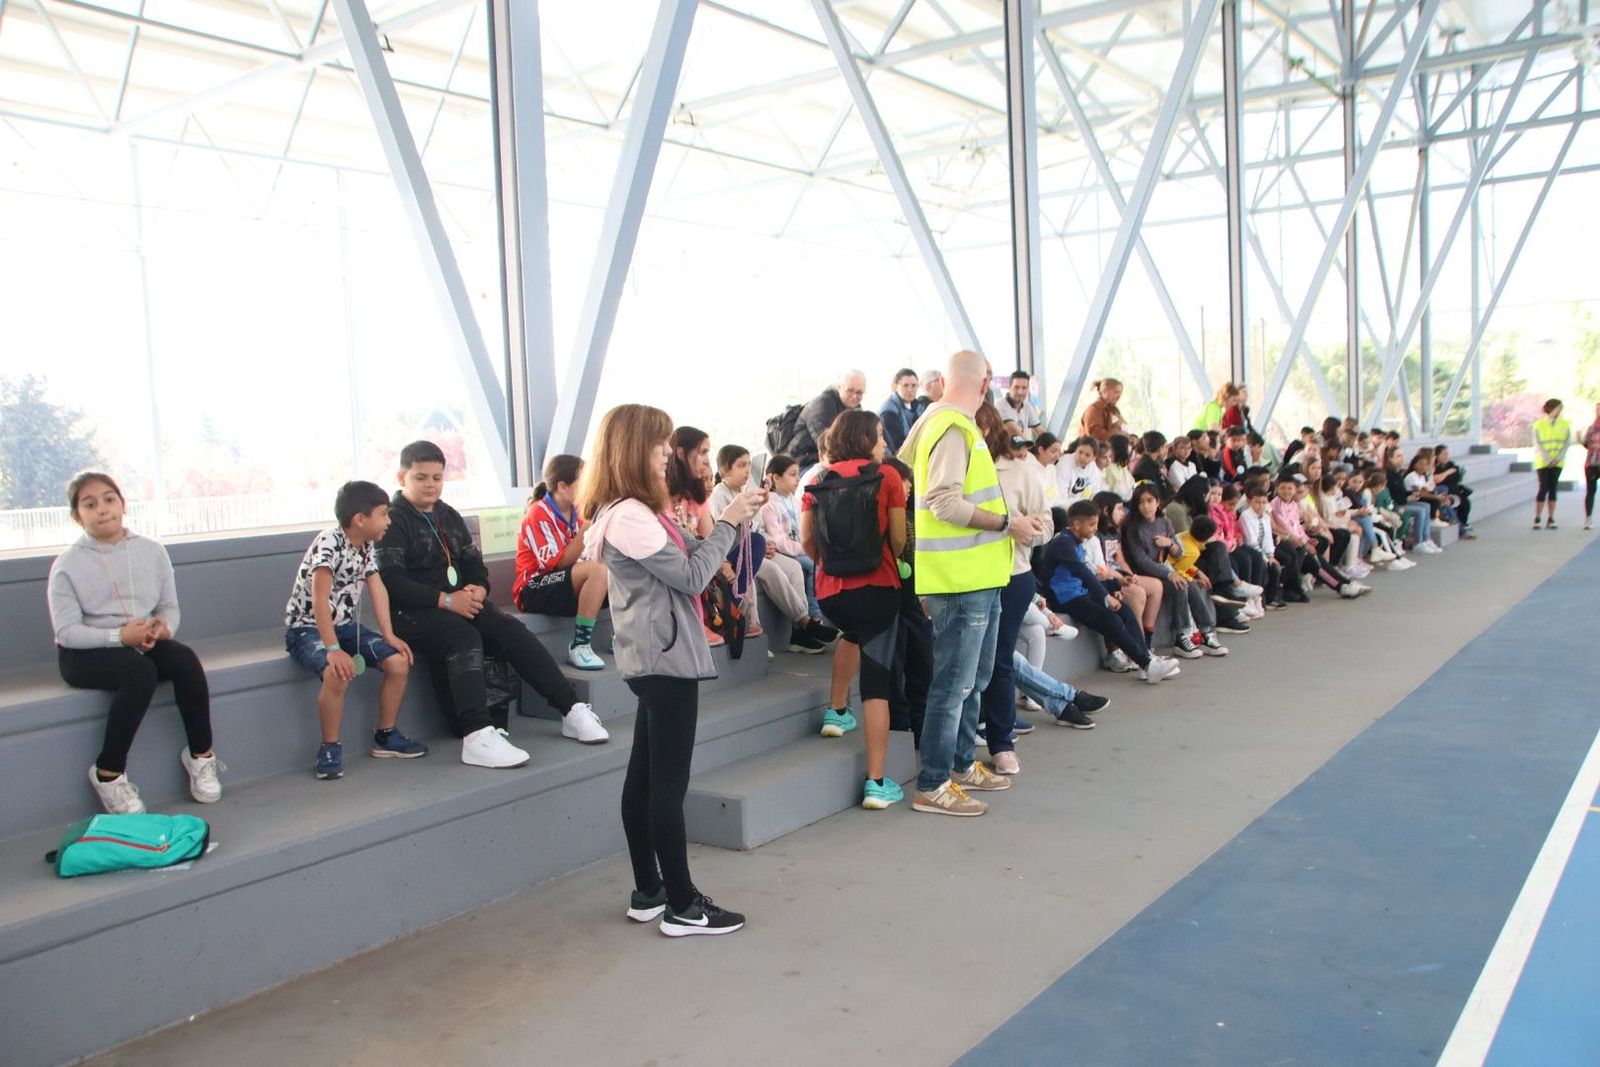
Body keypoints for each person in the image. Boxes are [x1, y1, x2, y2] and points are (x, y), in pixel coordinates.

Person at [580, 404, 766, 937]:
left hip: (652, 657)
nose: (668, 454)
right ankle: (683, 904)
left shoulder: (630, 510)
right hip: (665, 661)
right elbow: (690, 576)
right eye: (661, 445)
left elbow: (687, 558)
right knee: (666, 786)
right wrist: (728, 526)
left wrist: (728, 522)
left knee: (643, 779)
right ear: (638, 448)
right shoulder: (633, 516)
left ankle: (649, 889)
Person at [378, 440, 608, 769]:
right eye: (421, 477)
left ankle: (571, 709)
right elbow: (391, 582)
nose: (430, 484)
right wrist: (445, 600)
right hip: (412, 612)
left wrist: (479, 590)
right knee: (464, 637)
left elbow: (474, 564)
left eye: (437, 477)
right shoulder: (393, 519)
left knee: (510, 629)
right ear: (402, 477)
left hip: (459, 602)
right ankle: (476, 735)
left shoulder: (448, 515)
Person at [898, 349, 1042, 817]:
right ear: (984, 386)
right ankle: (934, 782)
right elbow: (943, 503)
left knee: (973, 679)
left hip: (977, 576)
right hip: (960, 581)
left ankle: (959, 765)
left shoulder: (950, 425)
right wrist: (1007, 523)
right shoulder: (951, 427)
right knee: (954, 684)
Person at [49, 471, 223, 814]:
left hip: (138, 641)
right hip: (84, 652)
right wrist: (118, 636)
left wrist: (162, 628)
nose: (102, 509)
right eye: (90, 503)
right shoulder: (67, 565)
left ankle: (201, 756)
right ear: (76, 515)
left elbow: (169, 607)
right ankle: (109, 772)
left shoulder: (152, 552)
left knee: (185, 660)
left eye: (109, 499)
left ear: (123, 505)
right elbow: (67, 631)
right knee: (139, 671)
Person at [800, 409, 908, 809]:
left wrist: (832, 566)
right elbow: (898, 538)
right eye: (878, 435)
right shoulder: (888, 476)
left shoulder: (816, 481)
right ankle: (877, 783)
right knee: (877, 683)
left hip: (831, 593)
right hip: (878, 587)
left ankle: (836, 711)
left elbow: (808, 542)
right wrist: (888, 556)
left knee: (852, 634)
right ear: (866, 438)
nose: (882, 442)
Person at [284, 480, 426, 781]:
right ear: (360, 519)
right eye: (384, 514)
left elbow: (377, 588)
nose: (388, 521)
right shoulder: (328, 542)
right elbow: (320, 600)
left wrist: (388, 634)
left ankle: (386, 736)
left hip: (347, 627)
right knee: (337, 672)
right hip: (307, 629)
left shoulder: (365, 547)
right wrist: (333, 650)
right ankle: (330, 747)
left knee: (398, 662)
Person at [976, 417, 1052, 776]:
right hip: (963, 576)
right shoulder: (949, 465)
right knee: (967, 663)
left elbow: (1047, 523)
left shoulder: (1021, 469)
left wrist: (1027, 532)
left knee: (999, 659)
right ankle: (968, 738)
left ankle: (1001, 742)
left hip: (1012, 574)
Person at [1038, 501, 1181, 684]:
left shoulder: (1075, 542)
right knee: (1110, 618)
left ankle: (1146, 660)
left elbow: (1090, 573)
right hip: (1065, 598)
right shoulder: (1063, 543)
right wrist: (1105, 597)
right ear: (1076, 525)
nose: (1094, 529)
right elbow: (1083, 573)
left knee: (1125, 611)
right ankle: (1147, 664)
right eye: (1091, 525)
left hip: (1078, 592)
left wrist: (1117, 583)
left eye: (1096, 524)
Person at [713, 444, 825, 652]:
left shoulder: (743, 493)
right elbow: (731, 531)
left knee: (793, 568)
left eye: (748, 465)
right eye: (741, 466)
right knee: (773, 571)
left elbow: (754, 527)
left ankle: (799, 632)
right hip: (736, 553)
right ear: (724, 470)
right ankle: (804, 620)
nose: (747, 471)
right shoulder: (719, 494)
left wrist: (763, 533)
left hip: (753, 547)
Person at [514, 454, 609, 670]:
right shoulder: (537, 514)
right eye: (582, 484)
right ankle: (580, 644)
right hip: (533, 588)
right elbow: (558, 564)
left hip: (562, 583)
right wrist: (587, 529)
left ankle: (619, 636)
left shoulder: (576, 511)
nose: (588, 489)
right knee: (598, 570)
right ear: (562, 486)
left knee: (615, 565)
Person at [1121, 484, 1227, 659]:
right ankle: (1181, 636)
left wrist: (1169, 544)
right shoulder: (1132, 528)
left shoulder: (1164, 522)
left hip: (1167, 569)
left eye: (1150, 501)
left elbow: (1178, 552)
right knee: (1181, 586)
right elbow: (1141, 561)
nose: (1145, 506)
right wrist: (1169, 574)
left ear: (1158, 502)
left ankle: (1207, 632)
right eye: (1141, 502)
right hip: (1145, 574)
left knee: (1191, 585)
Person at [758, 454, 839, 647]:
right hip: (787, 550)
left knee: (815, 563)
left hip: (797, 548)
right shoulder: (770, 504)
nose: (797, 479)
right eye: (792, 474)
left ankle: (808, 622)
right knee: (812, 565)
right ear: (775, 478)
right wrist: (804, 548)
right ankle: (813, 616)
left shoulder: (795, 501)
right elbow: (778, 539)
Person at [785, 370, 867, 468]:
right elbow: (824, 442)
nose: (854, 396)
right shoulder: (823, 404)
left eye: (859, 393)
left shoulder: (856, 409)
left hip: (826, 458)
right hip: (803, 460)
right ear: (839, 387)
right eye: (850, 390)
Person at [1236, 484, 1286, 609]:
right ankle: (1255, 598)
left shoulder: (1265, 517)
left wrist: (1270, 555)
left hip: (1262, 551)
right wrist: (1264, 557)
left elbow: (1268, 538)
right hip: (1250, 550)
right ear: (1250, 501)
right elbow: (1250, 540)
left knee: (1275, 567)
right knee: (1262, 564)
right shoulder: (1246, 516)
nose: (1261, 505)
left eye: (1264, 502)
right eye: (1257, 502)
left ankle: (1271, 598)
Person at [1532, 398, 1572, 530]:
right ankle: (1537, 518)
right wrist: (1548, 459)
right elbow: (1537, 443)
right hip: (1543, 462)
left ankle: (1551, 518)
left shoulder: (1565, 424)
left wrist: (1558, 458)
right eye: (1558, 408)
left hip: (1558, 462)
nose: (1560, 410)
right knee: (1543, 487)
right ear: (1551, 408)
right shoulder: (1538, 424)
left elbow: (1567, 442)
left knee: (1553, 488)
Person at [878, 367, 921, 455]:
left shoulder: (919, 407)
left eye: (913, 385)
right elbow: (898, 448)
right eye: (905, 385)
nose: (910, 390)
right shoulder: (888, 412)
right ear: (895, 386)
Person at [1056, 435, 1105, 502]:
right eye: (1080, 452)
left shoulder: (1094, 470)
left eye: (1087, 455)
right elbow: (1060, 496)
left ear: (1094, 458)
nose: (1082, 457)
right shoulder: (1064, 463)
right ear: (1076, 449)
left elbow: (1094, 494)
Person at [996, 370, 1043, 440]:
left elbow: (1040, 431)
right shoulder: (1000, 405)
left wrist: (1054, 445)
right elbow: (1015, 431)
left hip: (1019, 448)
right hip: (1003, 449)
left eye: (1024, 388)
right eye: (1016, 387)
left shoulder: (1027, 405)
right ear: (1009, 387)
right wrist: (1030, 448)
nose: (1020, 392)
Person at [1583, 402, 1600, 531]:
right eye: (1597, 410)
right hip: (1592, 463)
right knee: (1591, 491)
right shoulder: (1591, 428)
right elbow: (1586, 443)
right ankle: (1588, 519)